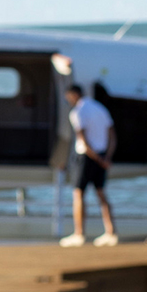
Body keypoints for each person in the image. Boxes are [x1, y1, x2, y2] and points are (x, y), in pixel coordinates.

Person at [60, 83, 118, 246]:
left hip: (86, 157)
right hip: (102, 155)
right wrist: (106, 158)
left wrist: (98, 159)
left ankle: (79, 234)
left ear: (73, 95)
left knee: (78, 194)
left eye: (68, 97)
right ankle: (111, 232)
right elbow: (112, 135)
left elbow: (83, 141)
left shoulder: (78, 112)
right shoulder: (100, 108)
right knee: (101, 193)